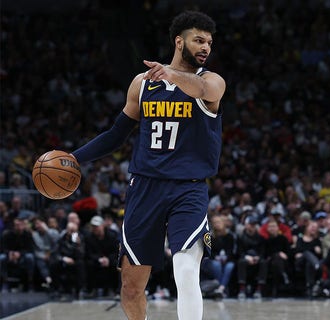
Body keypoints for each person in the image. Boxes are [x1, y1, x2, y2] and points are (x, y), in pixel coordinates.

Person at [70, 11, 225, 320]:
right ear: (179, 42)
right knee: (130, 286)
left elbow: (204, 91)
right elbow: (116, 135)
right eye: (198, 40)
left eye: (209, 42)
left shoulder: (211, 80)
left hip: (188, 188)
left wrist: (171, 74)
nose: (205, 47)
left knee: (185, 267)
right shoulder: (142, 83)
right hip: (144, 187)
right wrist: (74, 158)